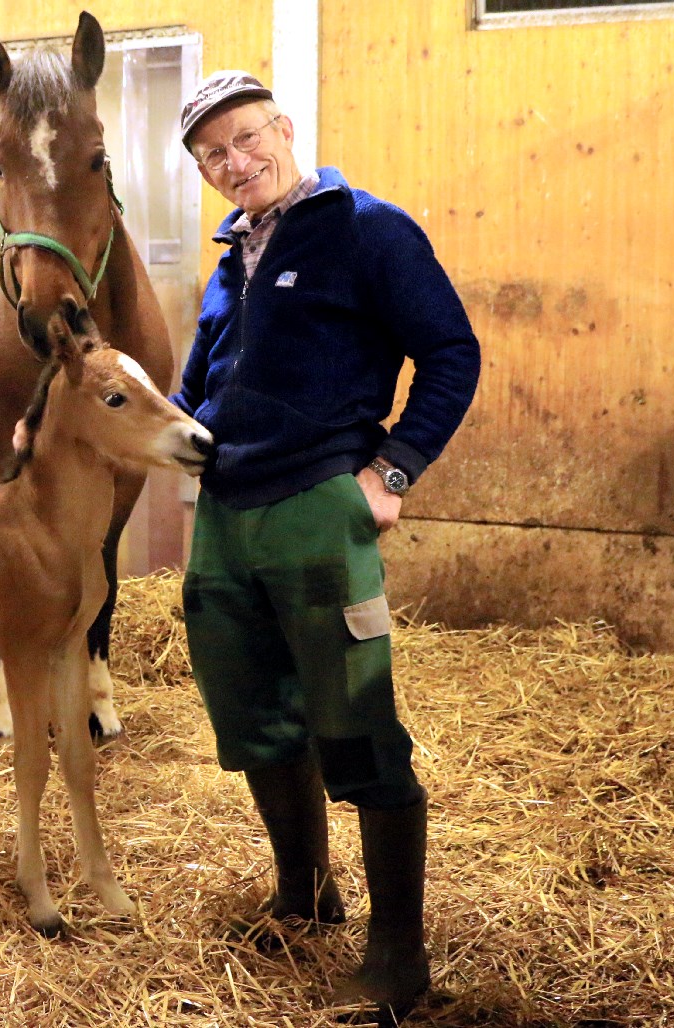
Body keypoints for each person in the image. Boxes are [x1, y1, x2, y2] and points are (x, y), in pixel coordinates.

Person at [172, 71, 481, 1023]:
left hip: (317, 504)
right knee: (252, 709)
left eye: (247, 138)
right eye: (213, 154)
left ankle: (398, 956)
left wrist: (390, 473)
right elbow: (192, 398)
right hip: (223, 511)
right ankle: (306, 895)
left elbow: (452, 351)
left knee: (353, 717)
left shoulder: (364, 226)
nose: (236, 162)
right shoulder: (233, 260)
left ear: (286, 129)